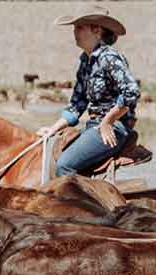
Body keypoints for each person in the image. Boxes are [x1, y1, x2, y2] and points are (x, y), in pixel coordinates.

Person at [35, 9, 140, 178]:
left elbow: (131, 92)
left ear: (97, 30)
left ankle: (75, 204)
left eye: (79, 27)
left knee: (64, 165)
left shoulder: (110, 57)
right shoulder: (85, 62)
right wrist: (53, 129)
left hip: (114, 128)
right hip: (93, 127)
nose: (74, 32)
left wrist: (107, 121)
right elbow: (77, 104)